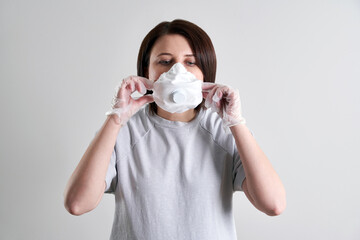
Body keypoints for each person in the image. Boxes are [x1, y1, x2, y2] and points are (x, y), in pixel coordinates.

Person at [64, 19, 286, 240]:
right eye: (165, 61)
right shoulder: (122, 133)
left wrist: (236, 123)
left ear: (205, 73)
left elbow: (273, 204)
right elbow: (77, 203)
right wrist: (115, 119)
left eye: (190, 63)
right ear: (146, 71)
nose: (177, 71)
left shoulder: (225, 132)